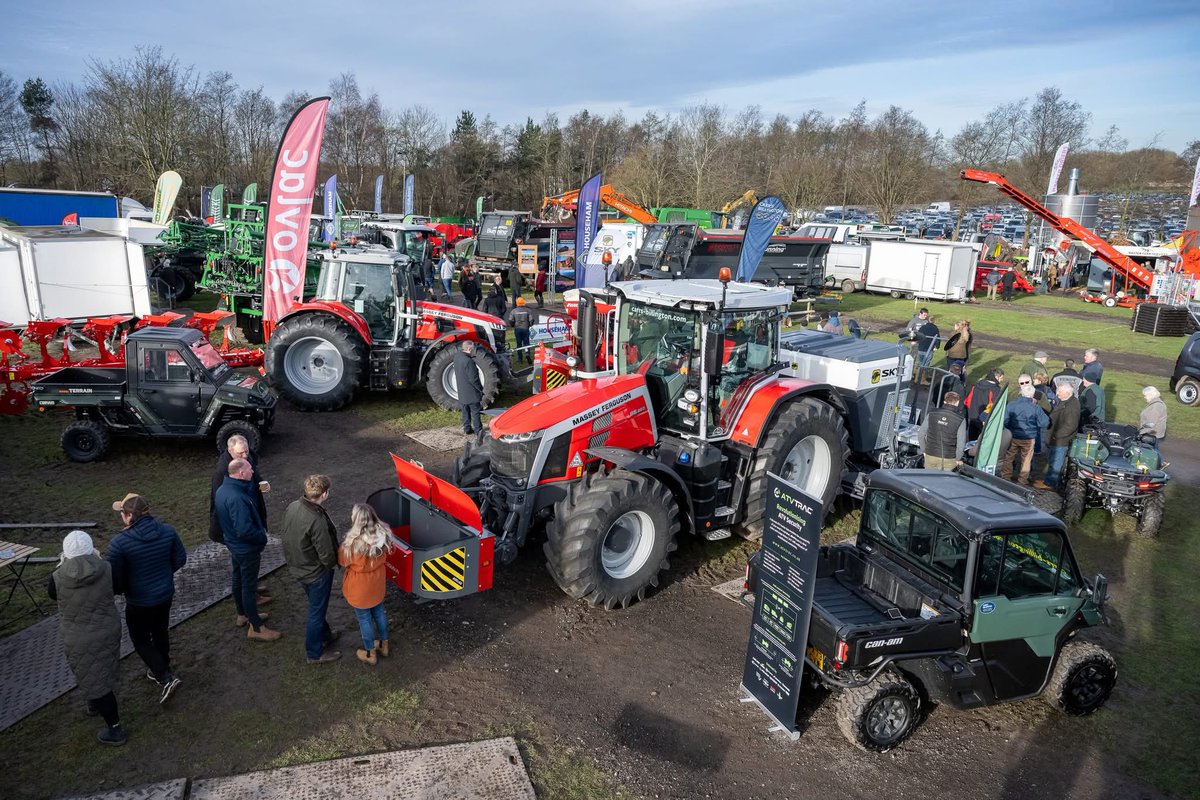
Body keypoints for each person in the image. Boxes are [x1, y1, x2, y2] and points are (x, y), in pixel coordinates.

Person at [107, 493, 186, 704]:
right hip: (165, 594)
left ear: (126, 516)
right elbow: (180, 559)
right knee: (160, 630)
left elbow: (115, 580)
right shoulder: (168, 531)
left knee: (140, 639)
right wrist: (163, 575)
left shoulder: (119, 544)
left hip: (139, 601)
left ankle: (164, 676)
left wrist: (127, 589)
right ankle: (162, 665)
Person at [48, 530, 124, 745]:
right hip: (107, 628)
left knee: (95, 679)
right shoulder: (106, 568)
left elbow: (52, 595)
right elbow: (117, 587)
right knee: (101, 669)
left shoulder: (57, 577)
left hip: (77, 636)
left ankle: (115, 729)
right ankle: (94, 702)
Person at [215, 458, 281, 641]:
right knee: (248, 586)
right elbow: (244, 529)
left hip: (234, 545)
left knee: (238, 578)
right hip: (246, 549)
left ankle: (243, 614)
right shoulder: (237, 497)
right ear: (241, 473)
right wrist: (262, 537)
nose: (253, 471)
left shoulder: (223, 489)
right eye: (250, 469)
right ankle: (256, 628)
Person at [281, 474, 341, 664]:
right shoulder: (317, 520)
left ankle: (326, 635)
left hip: (298, 566)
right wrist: (334, 565)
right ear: (324, 494)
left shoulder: (293, 506)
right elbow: (326, 553)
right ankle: (314, 653)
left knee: (317, 607)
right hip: (315, 573)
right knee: (316, 611)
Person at [209, 434, 272, 607]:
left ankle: (250, 593)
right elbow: (218, 505)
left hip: (249, 514)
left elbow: (254, 472)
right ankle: (250, 604)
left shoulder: (245, 457)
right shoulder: (221, 473)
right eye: (241, 454)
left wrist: (261, 482)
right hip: (237, 530)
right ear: (230, 451)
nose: (245, 456)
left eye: (246, 452)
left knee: (243, 569)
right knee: (244, 568)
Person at [339, 504, 394, 666]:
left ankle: (370, 653)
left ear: (356, 520)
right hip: (377, 583)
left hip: (360, 587)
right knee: (379, 612)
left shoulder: (352, 543)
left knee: (364, 619)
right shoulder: (383, 534)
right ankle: (384, 645)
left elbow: (343, 561)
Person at [998, 383, 1049, 485]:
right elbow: (1044, 422)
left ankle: (1006, 477)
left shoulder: (1011, 405)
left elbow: (1005, 420)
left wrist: (1009, 428)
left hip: (1012, 436)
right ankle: (1022, 481)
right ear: (1033, 395)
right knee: (1026, 460)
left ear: (1021, 393)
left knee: (1008, 457)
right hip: (1028, 438)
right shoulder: (1035, 408)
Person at [1034, 383, 1080, 490]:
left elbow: (1070, 426)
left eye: (1060, 391)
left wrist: (1055, 435)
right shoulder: (1067, 401)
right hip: (1057, 438)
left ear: (1067, 393)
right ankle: (1048, 480)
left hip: (1061, 441)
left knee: (1056, 462)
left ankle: (1049, 484)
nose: (1057, 393)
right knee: (1052, 460)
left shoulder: (1072, 407)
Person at [919, 390, 966, 470]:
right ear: (957, 402)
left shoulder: (932, 413)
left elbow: (921, 434)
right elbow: (961, 443)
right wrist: (957, 458)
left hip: (931, 454)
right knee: (944, 481)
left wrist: (924, 450)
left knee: (927, 480)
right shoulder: (960, 419)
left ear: (944, 401)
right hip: (949, 457)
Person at [965, 367, 1004, 440]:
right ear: (997, 377)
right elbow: (995, 405)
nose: (1002, 380)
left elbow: (968, 399)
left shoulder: (977, 385)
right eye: (1001, 378)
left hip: (972, 416)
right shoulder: (996, 390)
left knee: (971, 440)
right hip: (984, 419)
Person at [455, 340, 484, 436]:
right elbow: (474, 379)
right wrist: (480, 389)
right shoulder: (469, 361)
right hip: (471, 393)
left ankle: (467, 428)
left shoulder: (457, 357)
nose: (473, 350)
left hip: (462, 391)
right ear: (469, 348)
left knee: (465, 411)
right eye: (473, 348)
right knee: (476, 412)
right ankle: (478, 431)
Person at [506, 297, 536, 365]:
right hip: (525, 328)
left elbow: (510, 320)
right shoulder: (528, 310)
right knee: (526, 343)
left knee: (519, 344)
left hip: (517, 329)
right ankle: (527, 354)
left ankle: (520, 359)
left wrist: (513, 325)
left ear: (517, 303)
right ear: (523, 303)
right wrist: (530, 325)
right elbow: (531, 320)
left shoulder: (513, 311)